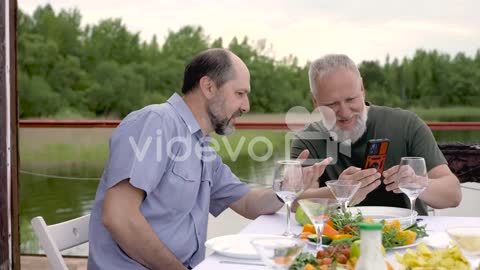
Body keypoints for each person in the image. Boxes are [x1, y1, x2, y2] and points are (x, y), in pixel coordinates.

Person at [87, 48, 330, 270]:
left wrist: (286, 188)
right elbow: (118, 216)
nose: (246, 106)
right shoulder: (156, 122)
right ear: (209, 87)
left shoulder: (202, 148)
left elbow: (247, 203)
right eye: (240, 93)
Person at [291, 54, 461, 215]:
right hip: (336, 240)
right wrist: (339, 192)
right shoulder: (308, 139)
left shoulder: (407, 124)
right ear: (315, 101)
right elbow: (294, 201)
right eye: (332, 104)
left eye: (351, 99)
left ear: (362, 89)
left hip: (409, 238)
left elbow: (453, 195)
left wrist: (418, 183)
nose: (345, 112)